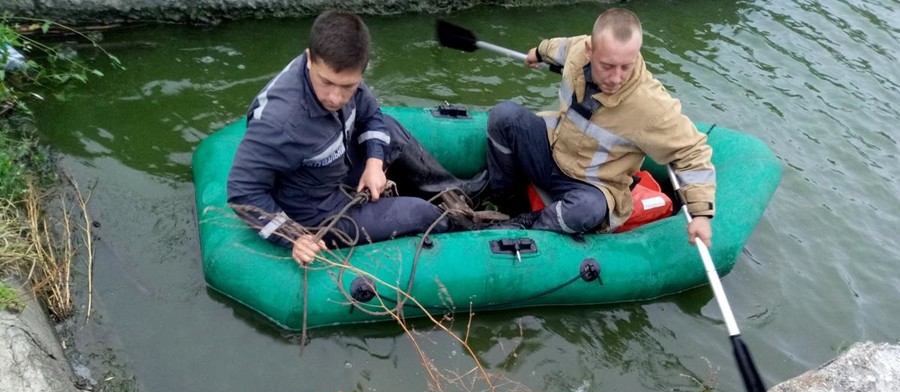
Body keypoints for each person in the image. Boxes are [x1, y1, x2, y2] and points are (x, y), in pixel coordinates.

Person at [227, 10, 486, 266]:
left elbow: (371, 114)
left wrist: (374, 163)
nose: (335, 98)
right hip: (319, 211)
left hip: (339, 164)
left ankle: (456, 192)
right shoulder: (278, 123)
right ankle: (470, 231)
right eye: (326, 83)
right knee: (420, 212)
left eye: (348, 87)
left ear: (362, 71)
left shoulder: (344, 69)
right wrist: (293, 237)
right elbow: (242, 191)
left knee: (389, 128)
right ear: (309, 59)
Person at [485, 7, 715, 247]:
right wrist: (538, 52)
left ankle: (528, 224)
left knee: (586, 209)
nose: (616, 78)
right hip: (555, 152)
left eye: (626, 66)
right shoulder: (577, 50)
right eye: (607, 66)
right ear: (590, 51)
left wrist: (701, 214)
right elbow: (560, 47)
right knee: (504, 115)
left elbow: (692, 151)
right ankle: (502, 199)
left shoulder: (651, 105)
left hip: (592, 185)